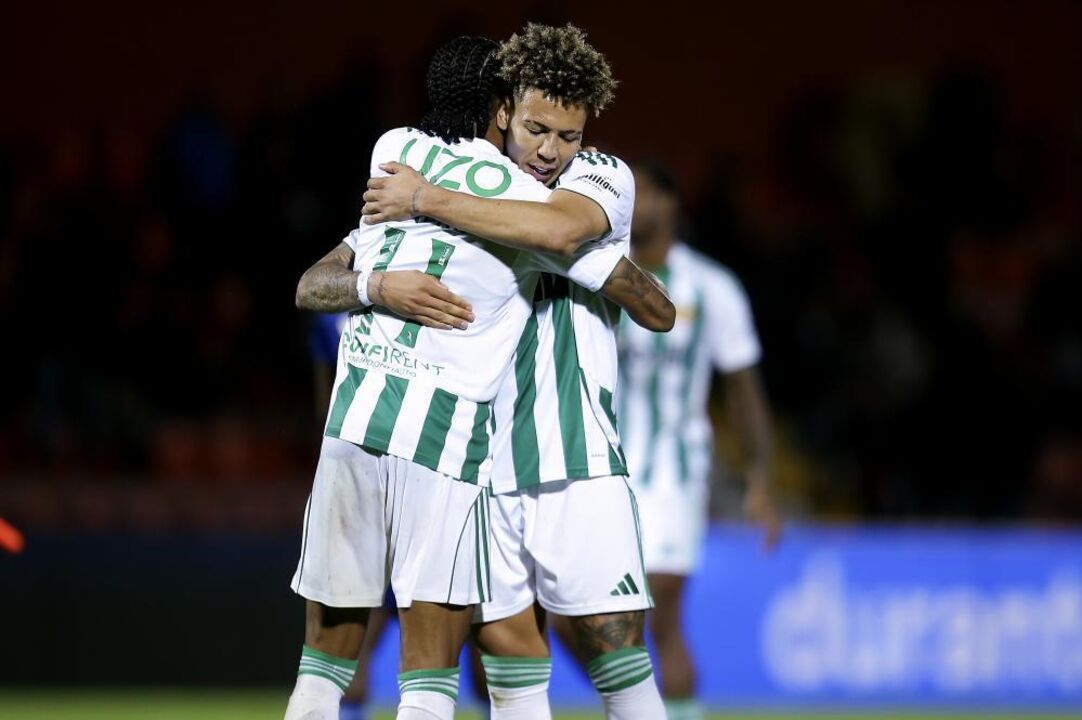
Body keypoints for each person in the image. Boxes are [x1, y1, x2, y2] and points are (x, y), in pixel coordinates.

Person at [286, 35, 670, 720]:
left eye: (569, 135)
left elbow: (588, 256)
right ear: (504, 111)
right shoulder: (457, 178)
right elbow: (319, 279)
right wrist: (381, 281)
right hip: (476, 455)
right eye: (536, 129)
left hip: (569, 451)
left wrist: (426, 198)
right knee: (506, 658)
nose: (552, 150)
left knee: (616, 655)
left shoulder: (599, 177)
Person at [617, 160, 782, 720]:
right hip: (603, 474)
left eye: (645, 193)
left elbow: (743, 389)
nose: (633, 204)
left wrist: (760, 477)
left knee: (653, 623)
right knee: (582, 620)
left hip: (674, 480)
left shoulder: (712, 288)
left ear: (671, 203)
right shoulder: (601, 276)